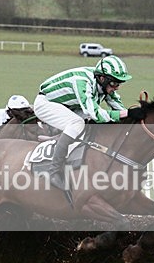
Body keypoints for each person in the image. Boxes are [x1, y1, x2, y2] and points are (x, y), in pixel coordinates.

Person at [34, 55, 145, 190]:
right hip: (46, 104)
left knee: (90, 122)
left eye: (119, 83)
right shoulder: (82, 83)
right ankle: (53, 171)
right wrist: (127, 113)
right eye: (114, 83)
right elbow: (97, 114)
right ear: (102, 79)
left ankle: (61, 141)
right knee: (77, 123)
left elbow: (119, 109)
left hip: (68, 105)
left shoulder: (104, 83)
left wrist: (136, 115)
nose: (117, 88)